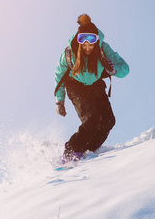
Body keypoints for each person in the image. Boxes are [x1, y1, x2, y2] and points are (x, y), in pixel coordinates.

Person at [54, 14, 130, 162]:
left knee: (108, 121)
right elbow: (59, 76)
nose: (88, 46)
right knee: (92, 120)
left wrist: (113, 70)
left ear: (97, 40)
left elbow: (125, 68)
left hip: (96, 86)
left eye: (92, 41)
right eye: (83, 41)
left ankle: (87, 150)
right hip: (76, 87)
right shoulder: (69, 53)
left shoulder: (103, 48)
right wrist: (59, 101)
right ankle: (71, 151)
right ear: (78, 40)